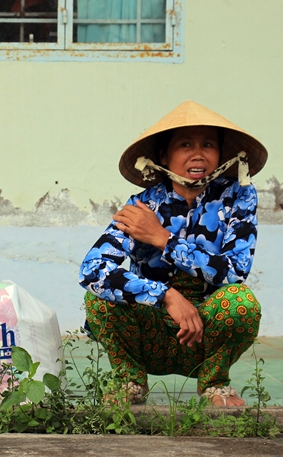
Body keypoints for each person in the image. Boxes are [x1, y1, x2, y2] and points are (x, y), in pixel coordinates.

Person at [79, 101, 268, 406]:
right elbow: (92, 270)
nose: (198, 154)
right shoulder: (142, 206)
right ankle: (130, 380)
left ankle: (214, 383)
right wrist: (165, 295)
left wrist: (164, 240)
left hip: (208, 330)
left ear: (220, 154)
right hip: (151, 331)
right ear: (164, 156)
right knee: (98, 298)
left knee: (241, 302)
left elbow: (235, 269)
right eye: (185, 144)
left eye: (208, 144)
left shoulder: (238, 196)